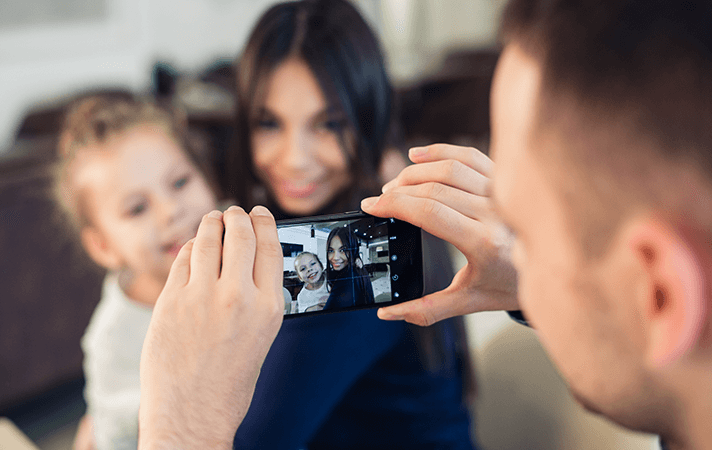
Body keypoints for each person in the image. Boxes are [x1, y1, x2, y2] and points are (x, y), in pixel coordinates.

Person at [138, 0, 712, 449]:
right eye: (268, 122)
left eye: (526, 231)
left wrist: (179, 432)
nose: (294, 158)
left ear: (660, 293)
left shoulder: (368, 256)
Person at [227, 1, 475, 448]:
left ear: (368, 118)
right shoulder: (382, 203)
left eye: (328, 124)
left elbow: (247, 440)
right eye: (269, 123)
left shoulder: (353, 257)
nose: (294, 159)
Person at [51, 94, 219, 450]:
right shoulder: (114, 340)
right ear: (103, 247)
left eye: (179, 182)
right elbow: (119, 438)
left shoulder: (241, 248)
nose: (171, 211)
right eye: (137, 208)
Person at [323, 226, 374, 309]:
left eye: (343, 250)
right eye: (331, 251)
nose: (335, 257)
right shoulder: (359, 270)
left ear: (353, 251)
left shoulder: (346, 279)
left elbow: (325, 319)